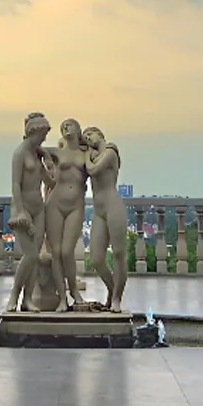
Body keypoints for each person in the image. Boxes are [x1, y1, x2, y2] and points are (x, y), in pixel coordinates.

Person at [5, 112, 54, 313]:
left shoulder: (37, 154)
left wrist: (49, 160)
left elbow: (50, 182)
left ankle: (27, 299)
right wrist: (20, 211)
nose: (44, 138)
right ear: (33, 132)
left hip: (39, 208)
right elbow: (15, 185)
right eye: (42, 134)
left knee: (34, 258)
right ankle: (14, 296)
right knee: (31, 255)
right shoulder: (19, 154)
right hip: (23, 209)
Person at [43, 117, 91, 311]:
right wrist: (46, 161)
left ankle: (74, 291)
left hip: (75, 205)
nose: (66, 128)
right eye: (63, 127)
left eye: (69, 125)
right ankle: (62, 297)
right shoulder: (57, 152)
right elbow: (35, 149)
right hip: (55, 204)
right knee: (55, 253)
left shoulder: (85, 154)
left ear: (78, 130)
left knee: (66, 251)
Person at [82, 125, 128, 312]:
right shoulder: (92, 156)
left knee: (118, 254)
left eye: (89, 135)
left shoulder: (110, 152)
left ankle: (116, 298)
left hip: (113, 207)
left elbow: (92, 170)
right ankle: (111, 289)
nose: (87, 139)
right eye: (84, 137)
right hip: (99, 211)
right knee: (96, 258)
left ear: (99, 134)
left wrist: (85, 155)